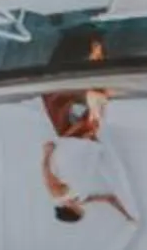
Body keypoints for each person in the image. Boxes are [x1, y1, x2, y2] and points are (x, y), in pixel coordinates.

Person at [39, 86, 138, 228]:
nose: (82, 209)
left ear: (74, 211)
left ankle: (94, 91)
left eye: (80, 212)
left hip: (70, 153)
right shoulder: (80, 198)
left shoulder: (58, 195)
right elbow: (109, 199)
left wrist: (47, 152)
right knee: (89, 123)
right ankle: (90, 94)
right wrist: (126, 215)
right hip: (84, 154)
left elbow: (47, 174)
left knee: (89, 123)